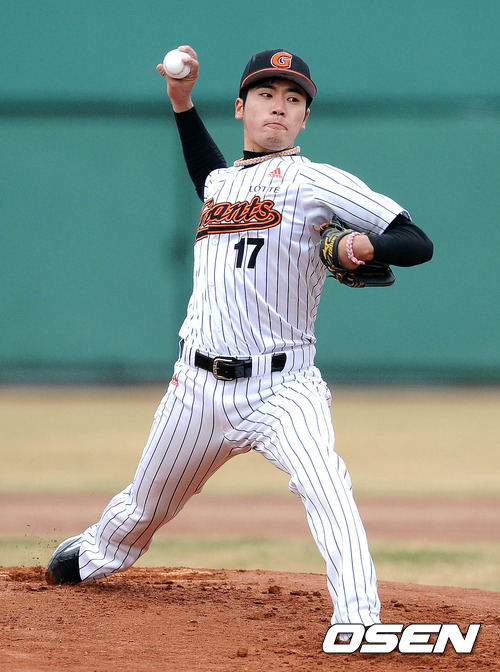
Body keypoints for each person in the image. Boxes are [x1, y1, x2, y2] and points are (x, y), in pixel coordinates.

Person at [46, 47, 433, 633]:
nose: (278, 107)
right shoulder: (223, 185)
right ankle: (97, 553)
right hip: (197, 388)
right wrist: (181, 103)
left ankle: (358, 621)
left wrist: (364, 245)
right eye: (266, 95)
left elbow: (416, 240)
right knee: (145, 506)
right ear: (241, 108)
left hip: (284, 387)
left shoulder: (316, 180)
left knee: (326, 486)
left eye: (293, 99)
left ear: (304, 119)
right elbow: (207, 173)